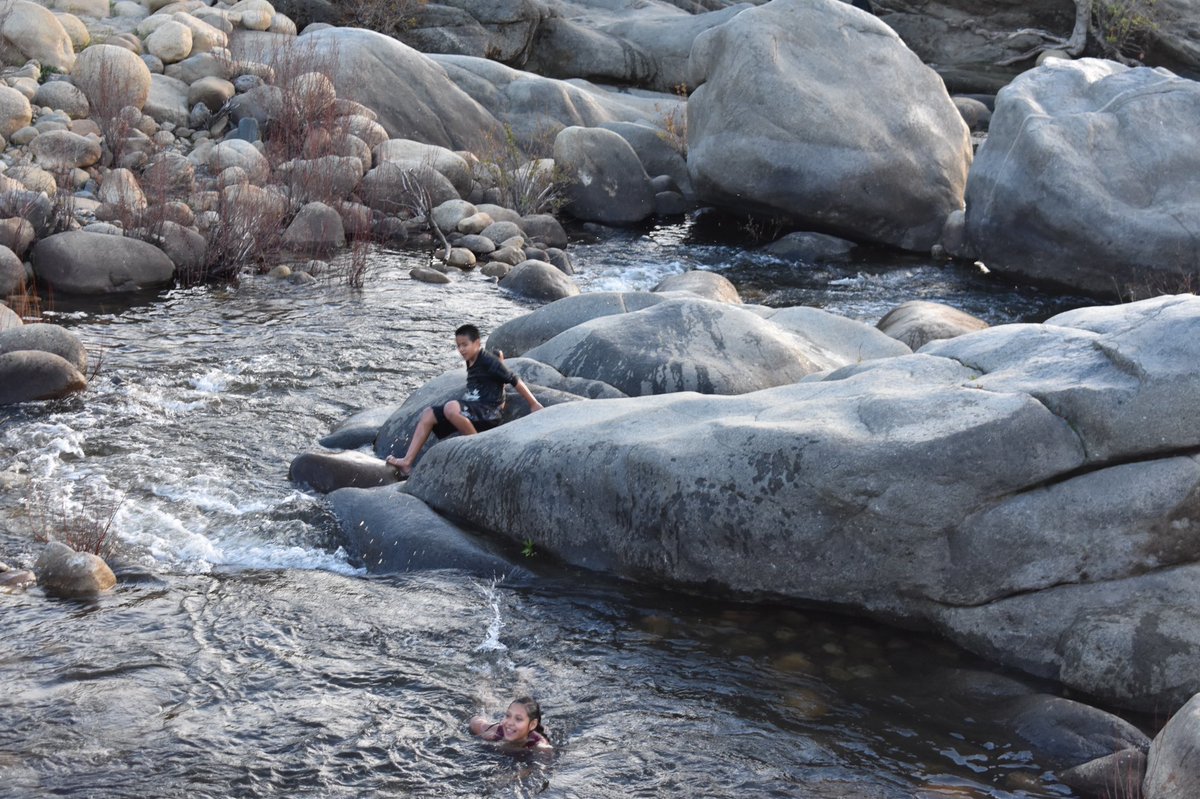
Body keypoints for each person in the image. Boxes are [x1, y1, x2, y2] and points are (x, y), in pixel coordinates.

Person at [385, 324, 543, 477]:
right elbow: (496, 361)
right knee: (428, 414)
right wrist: (499, 360)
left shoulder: (488, 361)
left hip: (488, 411)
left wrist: (534, 404)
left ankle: (476, 448)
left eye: (465, 345)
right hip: (472, 409)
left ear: (477, 343)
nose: (461, 349)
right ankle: (407, 462)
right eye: (458, 346)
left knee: (451, 407)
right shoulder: (471, 359)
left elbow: (514, 379)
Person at [469, 696, 552, 750]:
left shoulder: (539, 745)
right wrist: (483, 736)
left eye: (518, 719)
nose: (509, 723)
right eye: (508, 716)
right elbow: (474, 721)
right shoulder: (498, 731)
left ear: (532, 725)